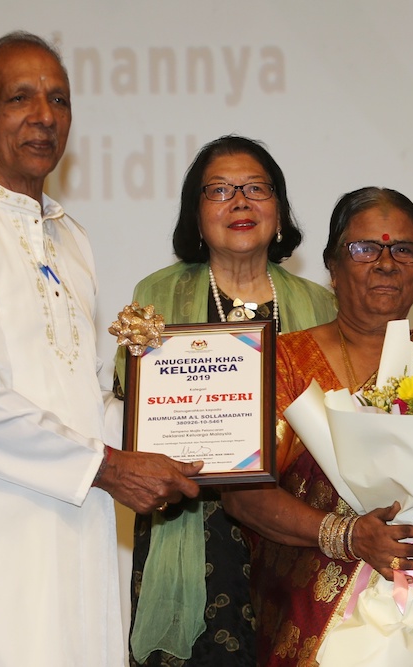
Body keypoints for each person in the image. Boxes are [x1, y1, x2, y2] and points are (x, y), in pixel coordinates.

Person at [0, 31, 203, 666]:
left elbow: (87, 396)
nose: (45, 116)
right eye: (19, 98)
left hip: (76, 537)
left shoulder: (70, 239)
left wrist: (183, 429)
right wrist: (109, 467)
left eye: (59, 99)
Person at [223, 187, 413, 666]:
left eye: (404, 250)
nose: (386, 264)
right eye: (365, 248)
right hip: (309, 621)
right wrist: (346, 535)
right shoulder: (282, 362)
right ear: (332, 266)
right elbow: (242, 493)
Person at [117, 135, 337, 667]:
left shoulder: (320, 304)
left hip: (294, 525)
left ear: (279, 211)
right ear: (195, 215)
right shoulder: (157, 296)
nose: (240, 202)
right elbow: (131, 400)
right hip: (194, 524)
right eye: (219, 190)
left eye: (256, 188)